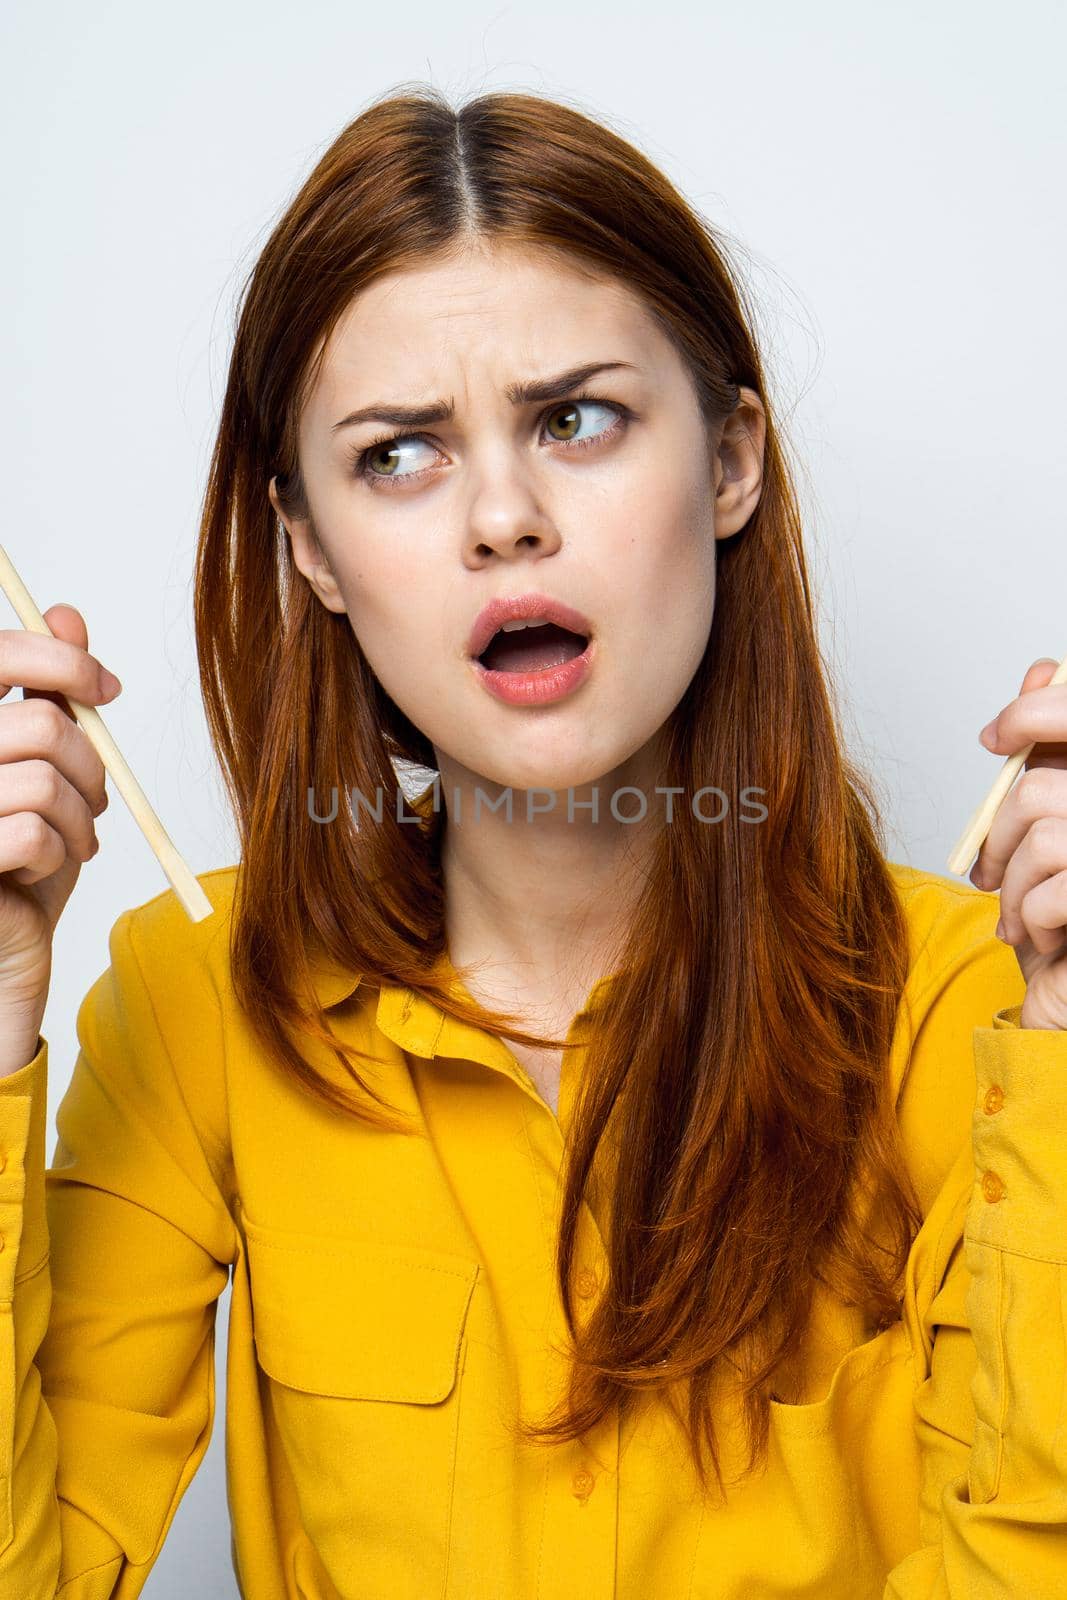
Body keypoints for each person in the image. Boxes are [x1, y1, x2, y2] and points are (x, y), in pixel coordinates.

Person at [1, 83, 1065, 1600]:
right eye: (398, 455)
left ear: (729, 464)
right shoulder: (197, 1001)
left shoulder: (968, 1014)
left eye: (578, 419)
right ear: (308, 549)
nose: (503, 516)